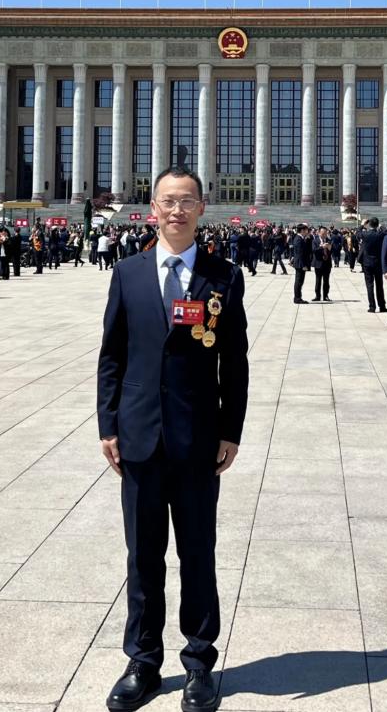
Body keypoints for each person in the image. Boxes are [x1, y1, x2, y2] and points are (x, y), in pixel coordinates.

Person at [98, 167, 248, 712]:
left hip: (197, 439)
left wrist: (230, 430)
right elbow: (112, 356)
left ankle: (199, 662)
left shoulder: (223, 275)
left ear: (202, 208)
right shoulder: (128, 273)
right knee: (143, 557)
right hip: (139, 437)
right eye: (168, 201)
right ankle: (142, 661)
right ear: (153, 209)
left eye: (187, 201)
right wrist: (108, 425)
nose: (177, 210)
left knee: (197, 554)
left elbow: (235, 361)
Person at [359, 217, 387, 313]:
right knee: (379, 285)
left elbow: (358, 233)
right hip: (378, 262)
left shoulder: (365, 234)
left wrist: (362, 225)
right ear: (377, 225)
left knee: (369, 285)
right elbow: (386, 232)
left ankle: (372, 306)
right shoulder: (380, 234)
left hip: (367, 263)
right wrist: (381, 226)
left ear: (369, 224)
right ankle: (382, 306)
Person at [311, 227, 332, 302]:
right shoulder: (315, 241)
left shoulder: (329, 240)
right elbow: (314, 250)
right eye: (323, 233)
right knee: (318, 280)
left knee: (326, 281)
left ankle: (326, 296)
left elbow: (332, 251)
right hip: (318, 263)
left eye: (326, 233)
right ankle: (317, 296)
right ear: (319, 233)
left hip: (327, 263)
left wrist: (329, 248)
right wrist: (321, 247)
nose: (324, 235)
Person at [292, 224, 309, 304]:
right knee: (299, 281)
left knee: (299, 281)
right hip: (300, 264)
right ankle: (297, 298)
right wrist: (303, 265)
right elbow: (300, 253)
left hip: (299, 263)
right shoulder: (299, 239)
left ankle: (298, 297)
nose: (307, 232)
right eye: (306, 230)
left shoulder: (300, 238)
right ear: (302, 230)